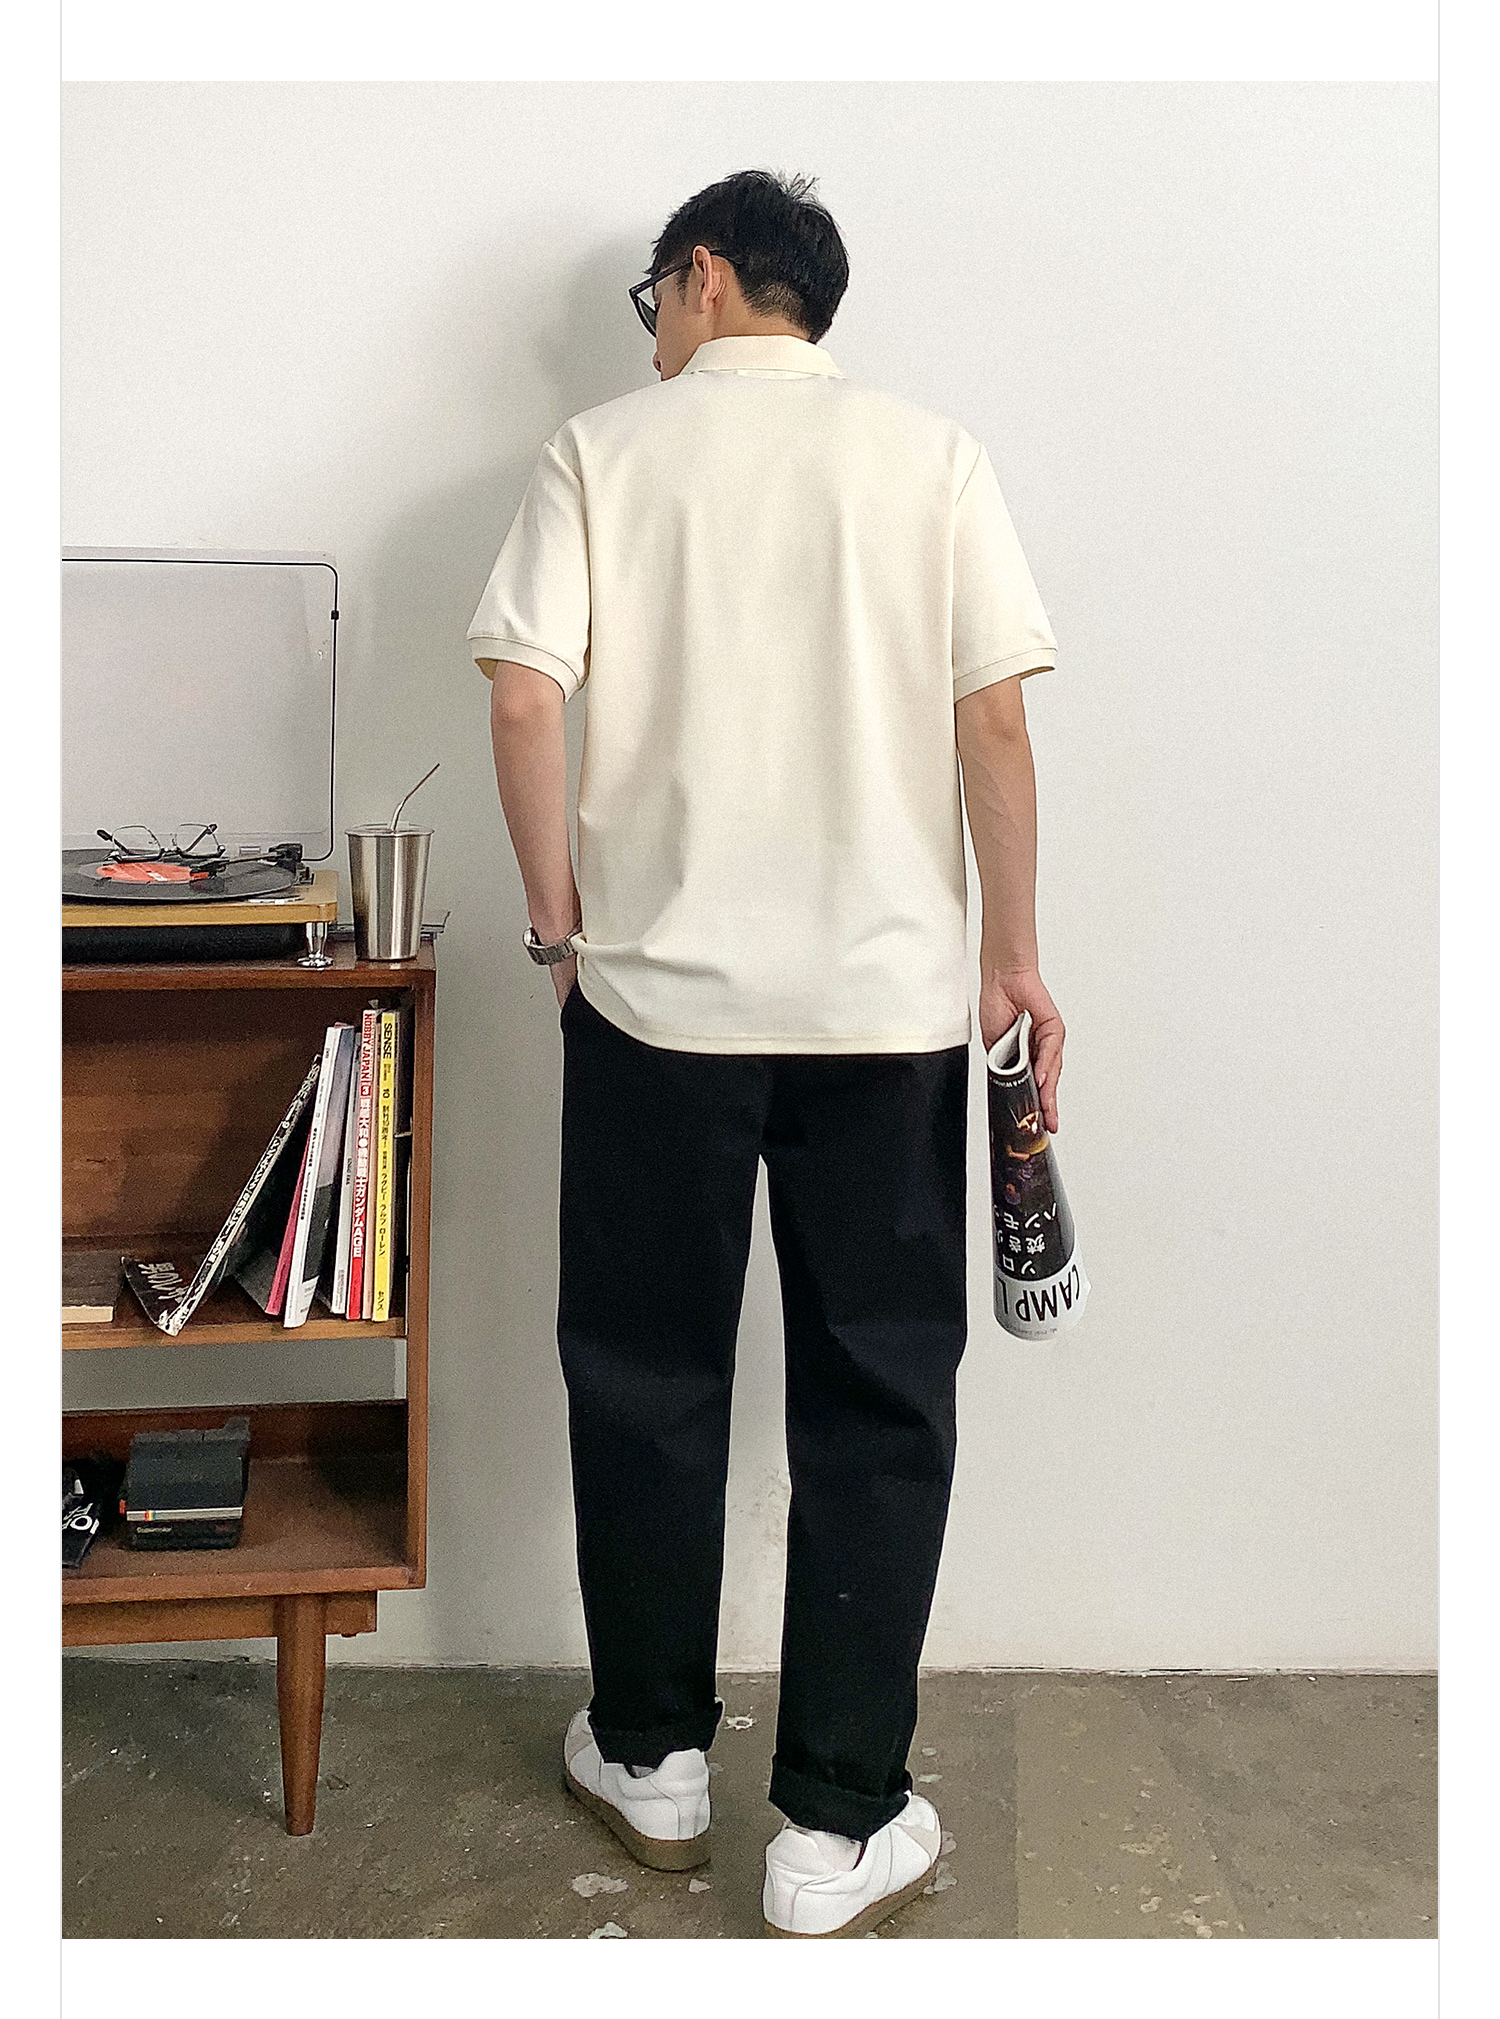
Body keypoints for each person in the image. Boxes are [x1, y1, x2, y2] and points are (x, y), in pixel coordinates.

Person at [470, 167, 1065, 1939]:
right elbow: (995, 720)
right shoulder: (932, 458)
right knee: (881, 1399)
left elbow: (524, 692)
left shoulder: (600, 455)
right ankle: (836, 1829)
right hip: (886, 1015)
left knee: (643, 1374)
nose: (650, 329)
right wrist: (1015, 959)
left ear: (710, 277)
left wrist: (561, 930)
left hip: (655, 1008)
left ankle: (651, 1757)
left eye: (654, 295)